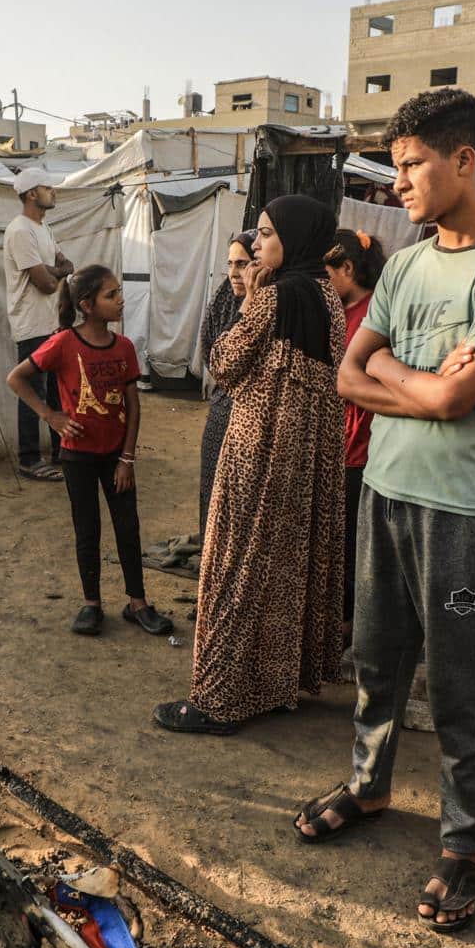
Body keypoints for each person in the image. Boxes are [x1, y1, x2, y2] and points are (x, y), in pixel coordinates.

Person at [292, 88, 475, 933]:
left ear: (463, 160)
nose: (397, 183)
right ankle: (368, 787)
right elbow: (349, 377)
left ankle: (463, 847)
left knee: (463, 686)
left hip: (463, 514)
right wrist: (425, 384)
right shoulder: (401, 265)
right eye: (394, 167)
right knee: (376, 659)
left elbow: (456, 402)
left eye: (410, 165)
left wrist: (412, 380)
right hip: (386, 494)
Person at [153, 195, 346, 735]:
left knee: (235, 566)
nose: (256, 244)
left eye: (265, 233)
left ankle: (219, 700)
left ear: (293, 236)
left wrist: (248, 304)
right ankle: (276, 684)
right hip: (308, 454)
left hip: (259, 446)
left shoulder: (274, 295)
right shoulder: (326, 294)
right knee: (285, 567)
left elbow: (222, 364)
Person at [6, 266, 174, 639]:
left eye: (118, 292)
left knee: (127, 527)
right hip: (77, 456)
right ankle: (91, 603)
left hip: (116, 457)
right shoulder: (64, 343)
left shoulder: (125, 347)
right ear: (87, 305)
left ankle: (137, 604)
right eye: (111, 295)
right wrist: (50, 416)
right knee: (87, 529)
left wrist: (127, 458)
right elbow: (16, 378)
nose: (120, 300)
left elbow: (133, 405)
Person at [324, 227, 386, 649]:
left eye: (328, 273)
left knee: (350, 541)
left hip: (358, 444)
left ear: (347, 268)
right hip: (336, 439)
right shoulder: (344, 310)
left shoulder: (370, 317)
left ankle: (347, 625)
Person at [5, 167, 75, 481]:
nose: (53, 192)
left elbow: (65, 265)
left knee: (58, 389)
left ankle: (61, 449)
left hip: (50, 323)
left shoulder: (43, 228)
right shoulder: (20, 231)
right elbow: (45, 284)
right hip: (31, 324)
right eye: (48, 187)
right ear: (32, 193)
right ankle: (29, 458)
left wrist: (52, 271)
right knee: (32, 391)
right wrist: (53, 273)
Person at [196, 232, 253, 531]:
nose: (233, 272)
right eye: (230, 263)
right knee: (213, 494)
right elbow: (219, 360)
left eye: (242, 263)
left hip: (252, 420)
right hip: (220, 413)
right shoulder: (222, 302)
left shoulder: (270, 307)